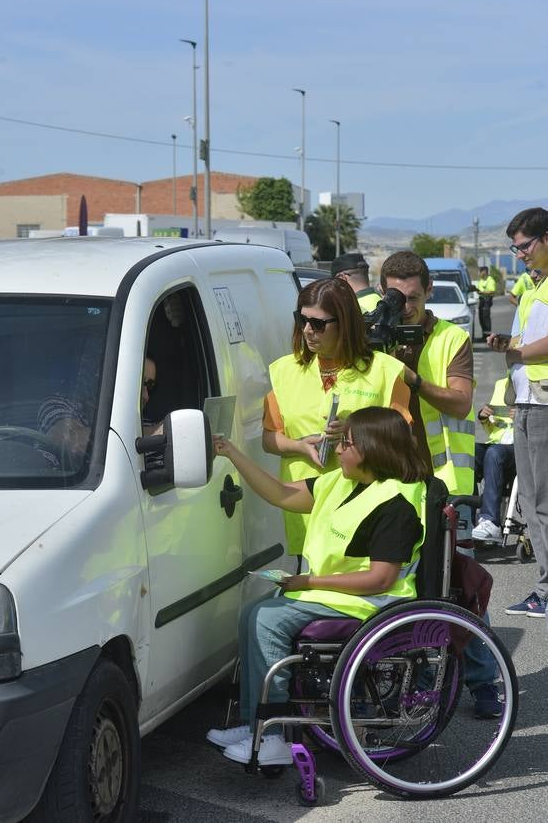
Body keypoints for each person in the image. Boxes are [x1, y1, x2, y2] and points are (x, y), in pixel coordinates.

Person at [206, 407, 428, 766]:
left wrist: (308, 581)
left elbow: (381, 579)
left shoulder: (396, 503)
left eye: (347, 444)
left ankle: (273, 736)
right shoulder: (342, 483)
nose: (337, 450)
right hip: (333, 595)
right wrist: (232, 453)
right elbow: (280, 494)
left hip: (370, 603)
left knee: (266, 619)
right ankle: (254, 725)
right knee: (253, 614)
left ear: (371, 449)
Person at [379, 250, 501, 718]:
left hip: (446, 484)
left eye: (413, 297)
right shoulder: (378, 333)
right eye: (396, 296)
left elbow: (460, 402)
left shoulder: (452, 338)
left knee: (459, 588)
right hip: (392, 480)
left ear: (429, 292)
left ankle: (483, 679)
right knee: (402, 588)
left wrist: (413, 380)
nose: (404, 306)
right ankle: (411, 680)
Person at [262, 277, 411, 559]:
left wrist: (357, 432)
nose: (307, 330)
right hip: (306, 510)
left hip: (367, 510)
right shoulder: (283, 371)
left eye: (318, 324)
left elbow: (405, 440)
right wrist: (300, 446)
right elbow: (269, 438)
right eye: (301, 319)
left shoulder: (385, 371)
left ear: (345, 323)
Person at [488, 207, 548, 619]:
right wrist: (507, 342)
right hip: (528, 400)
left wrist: (516, 351)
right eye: (515, 247)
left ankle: (546, 591)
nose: (520, 254)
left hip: (543, 402)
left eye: (524, 245)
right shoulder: (532, 287)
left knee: (541, 500)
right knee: (531, 500)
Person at [471, 377, 516, 544]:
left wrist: (524, 417)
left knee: (493, 453)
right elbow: (494, 427)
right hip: (497, 444)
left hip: (521, 448)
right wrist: (484, 417)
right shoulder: (500, 384)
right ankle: (467, 519)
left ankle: (491, 521)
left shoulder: (539, 384)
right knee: (472, 451)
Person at [475, 266, 497, 339]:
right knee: (481, 318)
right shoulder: (481, 280)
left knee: (486, 318)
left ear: (484, 272)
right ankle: (484, 335)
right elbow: (479, 289)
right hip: (481, 300)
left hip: (487, 300)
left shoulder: (490, 280)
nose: (479, 273)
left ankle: (488, 336)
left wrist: (483, 292)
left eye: (480, 272)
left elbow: (492, 291)